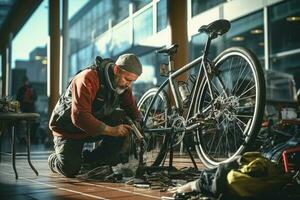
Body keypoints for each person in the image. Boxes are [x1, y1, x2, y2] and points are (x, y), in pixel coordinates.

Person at [48, 54, 143, 178]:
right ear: (116, 70)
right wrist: (112, 130)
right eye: (127, 79)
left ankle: (91, 159)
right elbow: (79, 116)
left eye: (132, 81)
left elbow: (132, 109)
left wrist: (140, 124)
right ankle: (54, 159)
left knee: (122, 119)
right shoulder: (87, 78)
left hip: (92, 128)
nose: (128, 85)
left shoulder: (122, 85)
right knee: (70, 169)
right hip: (69, 129)